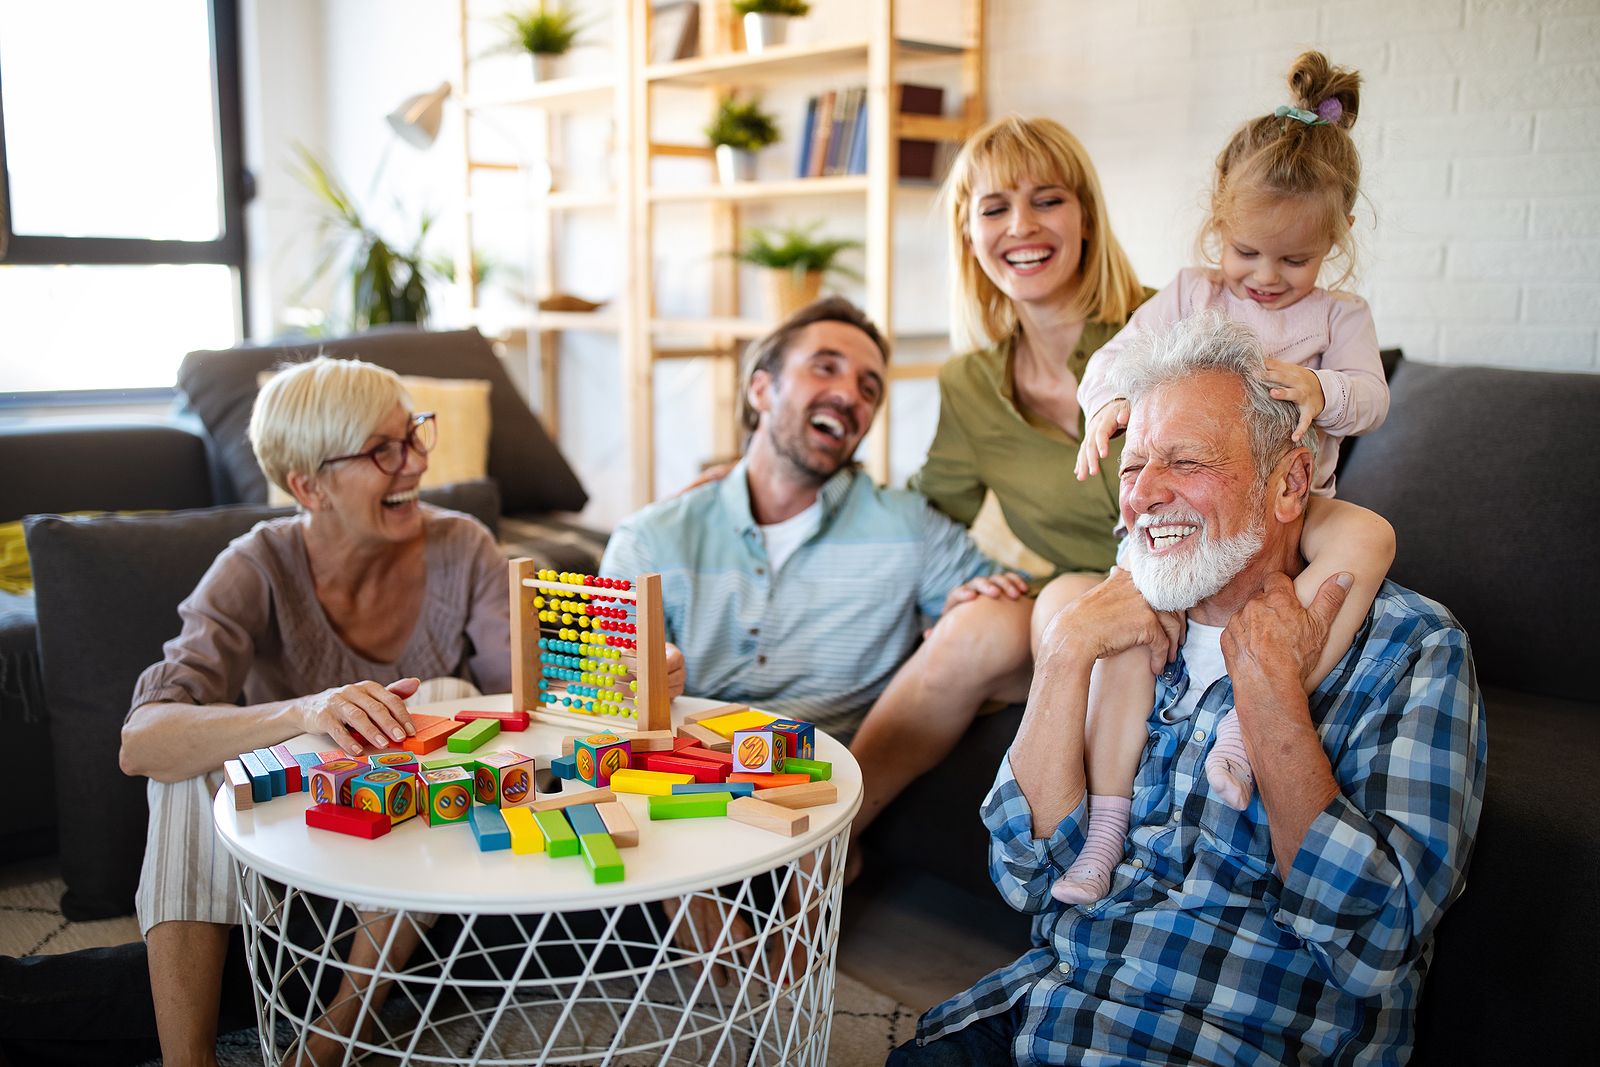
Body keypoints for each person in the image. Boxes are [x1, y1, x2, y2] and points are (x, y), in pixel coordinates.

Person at [892, 312, 1485, 1066]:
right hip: (1045, 1014)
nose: (1144, 494)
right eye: (1132, 466)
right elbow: (1024, 874)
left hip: (1226, 1045)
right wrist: (1066, 652)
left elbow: (1374, 944)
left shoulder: (1413, 647)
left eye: (1186, 461)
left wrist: (1272, 698)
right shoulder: (1120, 628)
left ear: (1290, 483)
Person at [1056, 51, 1395, 904]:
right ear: (1217, 227)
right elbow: (1111, 360)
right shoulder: (1190, 294)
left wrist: (1325, 389)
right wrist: (1109, 406)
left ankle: (1250, 725)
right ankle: (1104, 830)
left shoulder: (1339, 316)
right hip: (1197, 515)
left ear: (1337, 238)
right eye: (1247, 252)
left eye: (1295, 259)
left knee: (1370, 538)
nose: (1268, 278)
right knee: (1129, 638)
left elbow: (1373, 400)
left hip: (1297, 505)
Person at [117, 356, 512, 1066]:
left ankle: (330, 1041)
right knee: (177, 778)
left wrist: (636, 670)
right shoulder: (256, 564)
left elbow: (525, 701)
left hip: (415, 852)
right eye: (382, 450)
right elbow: (142, 741)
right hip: (286, 846)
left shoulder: (465, 545)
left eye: (414, 434)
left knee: (448, 698)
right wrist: (306, 711)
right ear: (308, 486)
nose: (416, 462)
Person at [847, 115, 1151, 854]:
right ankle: (824, 846)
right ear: (969, 234)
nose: (1021, 226)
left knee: (1064, 604)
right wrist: (765, 477)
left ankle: (1078, 861)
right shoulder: (971, 384)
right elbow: (926, 510)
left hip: (1187, 586)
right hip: (1073, 597)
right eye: (994, 208)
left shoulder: (1166, 324)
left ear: (1085, 216)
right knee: (980, 623)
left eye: (1047, 200)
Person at [599, 295, 999, 740]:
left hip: (845, 777)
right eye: (825, 368)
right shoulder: (648, 540)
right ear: (761, 390)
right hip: (680, 775)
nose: (849, 394)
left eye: (869, 389)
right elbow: (605, 680)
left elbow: (1016, 624)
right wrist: (638, 673)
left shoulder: (912, 529)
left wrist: (970, 619)